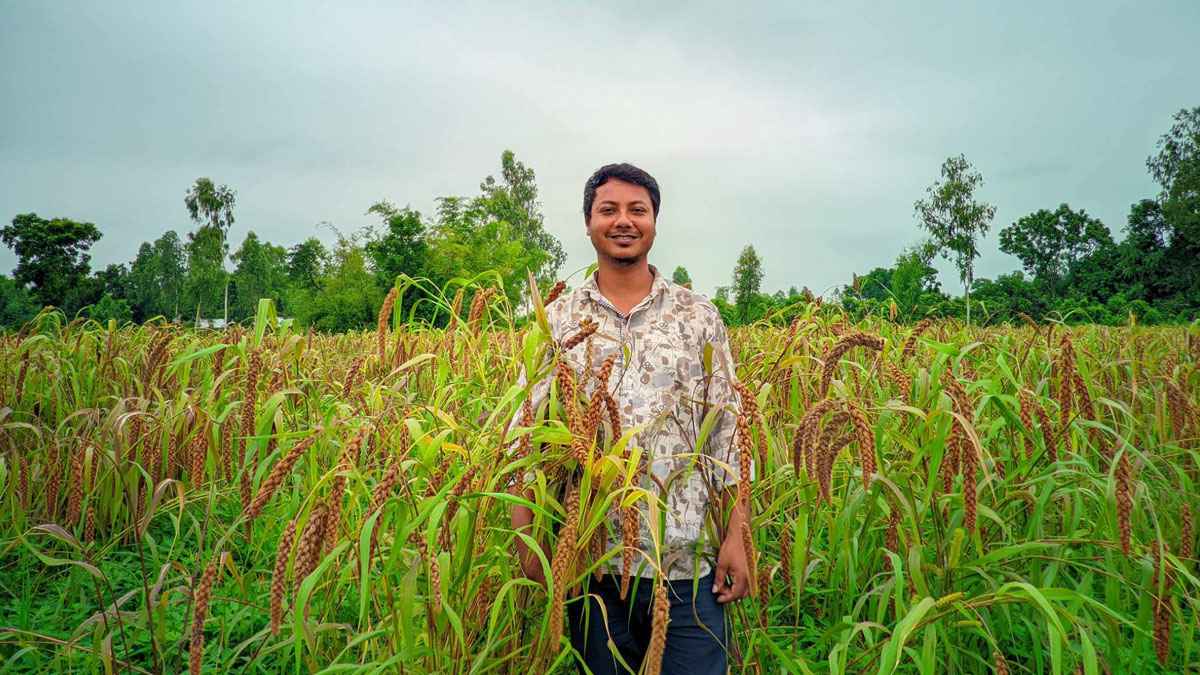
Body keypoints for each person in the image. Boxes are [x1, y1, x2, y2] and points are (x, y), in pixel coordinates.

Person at [508, 163, 752, 674]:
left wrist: (738, 537)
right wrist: (529, 546)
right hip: (592, 565)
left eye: (637, 210)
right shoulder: (557, 320)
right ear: (588, 223)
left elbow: (728, 437)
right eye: (609, 210)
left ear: (654, 222)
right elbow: (525, 437)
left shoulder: (697, 316)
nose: (623, 221)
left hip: (689, 565)